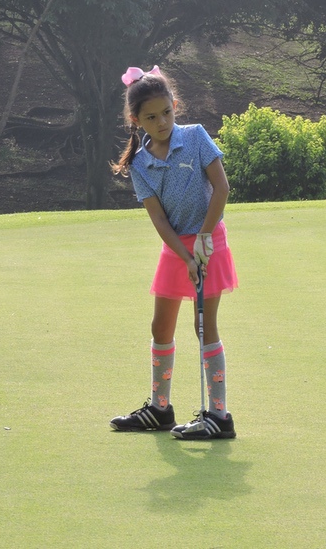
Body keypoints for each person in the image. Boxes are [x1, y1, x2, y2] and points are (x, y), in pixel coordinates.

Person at [109, 66, 239, 440]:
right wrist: (184, 256)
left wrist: (203, 238)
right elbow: (159, 219)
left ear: (175, 105)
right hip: (176, 247)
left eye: (166, 112)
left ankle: (219, 416)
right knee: (160, 327)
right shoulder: (139, 163)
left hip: (209, 241)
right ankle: (160, 409)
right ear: (136, 120)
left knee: (203, 326)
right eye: (151, 117)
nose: (162, 122)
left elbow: (222, 188)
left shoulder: (195, 137)